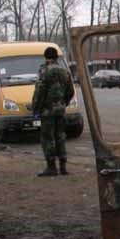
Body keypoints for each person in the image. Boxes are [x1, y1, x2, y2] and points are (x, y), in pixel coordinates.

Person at [31, 46, 74, 177]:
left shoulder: (45, 71)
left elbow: (39, 92)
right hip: (60, 110)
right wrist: (63, 103)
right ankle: (63, 166)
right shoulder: (65, 71)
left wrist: (36, 108)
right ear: (56, 57)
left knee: (47, 137)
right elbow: (71, 91)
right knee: (60, 136)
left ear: (46, 57)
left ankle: (51, 167)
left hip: (47, 111)